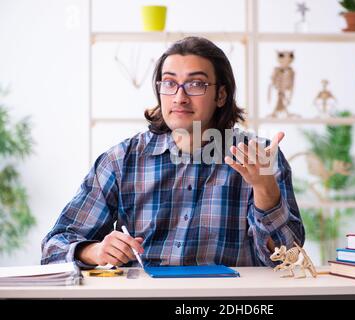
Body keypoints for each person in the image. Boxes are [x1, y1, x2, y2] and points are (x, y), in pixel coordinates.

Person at [41, 37, 305, 269]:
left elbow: (288, 261)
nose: (179, 97)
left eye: (196, 84)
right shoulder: (121, 161)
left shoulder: (260, 158)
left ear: (221, 95)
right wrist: (94, 251)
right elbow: (54, 246)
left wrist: (265, 191)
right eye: (169, 83)